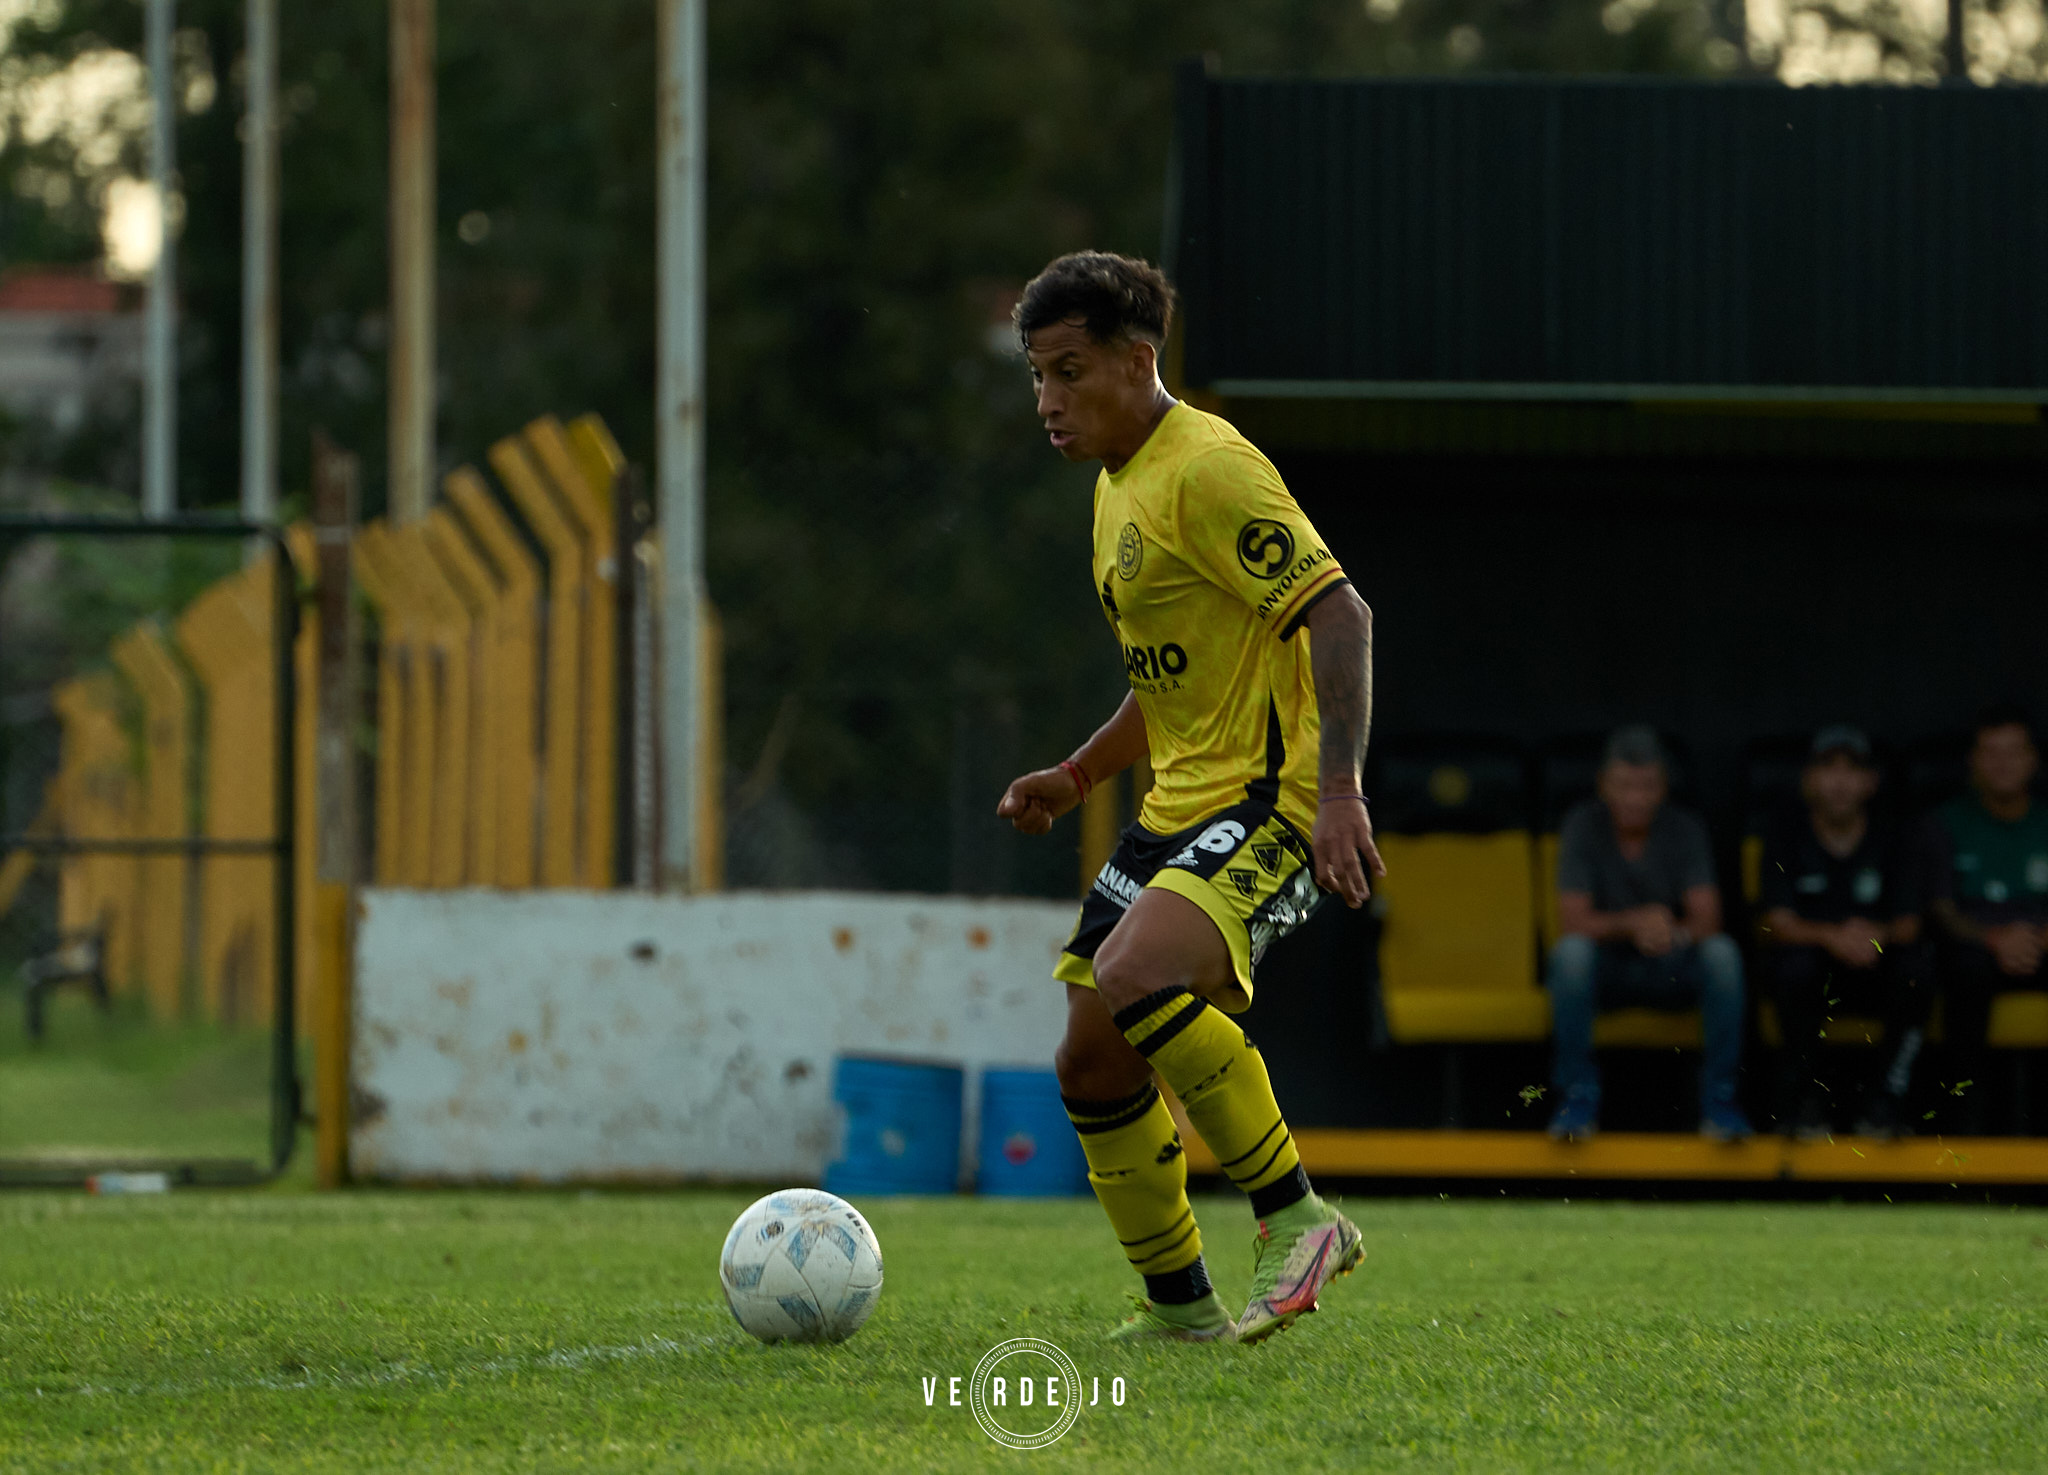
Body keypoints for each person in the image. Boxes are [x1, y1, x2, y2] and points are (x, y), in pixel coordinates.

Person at [995, 251, 1381, 1345]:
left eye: (1070, 372)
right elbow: (1167, 675)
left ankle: (1300, 1219)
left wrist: (1339, 791)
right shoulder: (1116, 484)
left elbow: (1340, 614)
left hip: (1271, 798)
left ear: (1137, 360)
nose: (1048, 400)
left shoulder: (1208, 467)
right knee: (1089, 1056)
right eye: (1037, 375)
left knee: (1134, 974)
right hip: (1177, 806)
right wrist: (1078, 774)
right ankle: (1181, 1309)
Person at [1545, 726, 1751, 1143]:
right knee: (1570, 955)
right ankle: (1576, 1097)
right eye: (1624, 786)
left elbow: (1708, 919)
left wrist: (1672, 933)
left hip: (1668, 966)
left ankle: (1721, 1098)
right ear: (1603, 785)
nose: (1636, 798)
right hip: (1608, 971)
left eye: (1647, 786)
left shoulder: (1685, 827)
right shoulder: (1582, 824)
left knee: (1722, 955)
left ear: (1663, 788)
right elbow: (1573, 922)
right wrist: (1632, 923)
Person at [1753, 726, 1927, 1141]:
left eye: (1852, 769)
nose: (1840, 781)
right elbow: (1775, 922)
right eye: (1828, 768)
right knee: (1792, 967)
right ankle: (1803, 1104)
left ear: (1871, 782)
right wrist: (1833, 936)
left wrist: (1873, 935)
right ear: (1809, 780)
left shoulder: (1895, 834)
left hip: (1874, 967)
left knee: (1918, 966)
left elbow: (1909, 923)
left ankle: (1887, 1101)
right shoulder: (1784, 834)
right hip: (1815, 971)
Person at [1920, 705, 2048, 1135]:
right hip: (1977, 949)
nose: (2003, 763)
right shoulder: (1945, 822)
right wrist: (1994, 939)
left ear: (2032, 760)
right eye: (1991, 753)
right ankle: (1967, 1130)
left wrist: (2039, 938)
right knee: (1961, 969)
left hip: (2041, 945)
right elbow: (1940, 908)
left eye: (2013, 752)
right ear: (1973, 761)